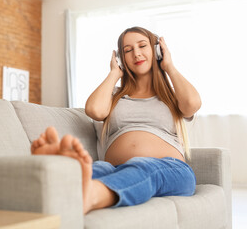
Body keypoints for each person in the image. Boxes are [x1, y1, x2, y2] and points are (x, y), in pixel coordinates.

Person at [31, 26, 202, 214]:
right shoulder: (114, 95)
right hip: (116, 168)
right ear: (121, 58)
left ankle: (89, 195)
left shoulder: (173, 95)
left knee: (143, 167)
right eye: (127, 50)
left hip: (171, 169)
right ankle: (53, 180)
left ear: (157, 51)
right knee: (98, 168)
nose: (136, 54)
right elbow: (94, 110)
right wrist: (114, 73)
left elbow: (192, 104)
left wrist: (169, 66)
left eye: (142, 46)